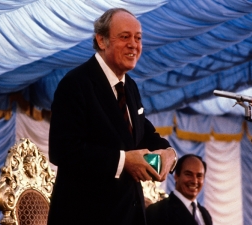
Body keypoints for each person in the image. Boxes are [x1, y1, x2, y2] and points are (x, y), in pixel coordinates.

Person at [47, 8, 177, 225]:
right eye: (125, 37)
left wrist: (169, 153)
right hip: (86, 216)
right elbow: (64, 151)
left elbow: (143, 134)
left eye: (138, 38)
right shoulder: (75, 83)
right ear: (101, 40)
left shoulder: (130, 87)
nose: (133, 45)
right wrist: (124, 161)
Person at [146, 154, 213, 225]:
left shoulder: (205, 214)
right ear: (176, 176)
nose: (194, 181)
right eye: (188, 174)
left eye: (199, 176)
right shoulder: (159, 210)